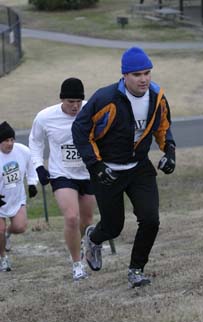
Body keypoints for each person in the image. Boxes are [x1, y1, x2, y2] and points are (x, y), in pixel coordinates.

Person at [72, 47, 176, 288]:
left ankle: (136, 269)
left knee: (150, 220)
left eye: (147, 73)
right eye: (137, 74)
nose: (144, 79)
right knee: (113, 226)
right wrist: (95, 165)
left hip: (139, 167)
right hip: (107, 170)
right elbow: (80, 130)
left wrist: (169, 151)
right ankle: (94, 239)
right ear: (125, 76)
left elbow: (163, 126)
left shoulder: (157, 96)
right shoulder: (105, 98)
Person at [29, 77, 96, 281]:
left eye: (78, 101)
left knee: (87, 221)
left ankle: (83, 243)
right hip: (62, 174)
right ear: (61, 100)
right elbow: (35, 142)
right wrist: (39, 167)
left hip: (88, 173)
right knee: (71, 218)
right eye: (70, 102)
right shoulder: (45, 117)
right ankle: (77, 264)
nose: (75, 106)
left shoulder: (92, 111)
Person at [0, 121, 38, 272]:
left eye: (12, 140)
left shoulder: (23, 151)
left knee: (20, 227)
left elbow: (31, 167)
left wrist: (32, 183)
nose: (10, 143)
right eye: (6, 140)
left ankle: (8, 235)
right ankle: (3, 258)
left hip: (16, 197)